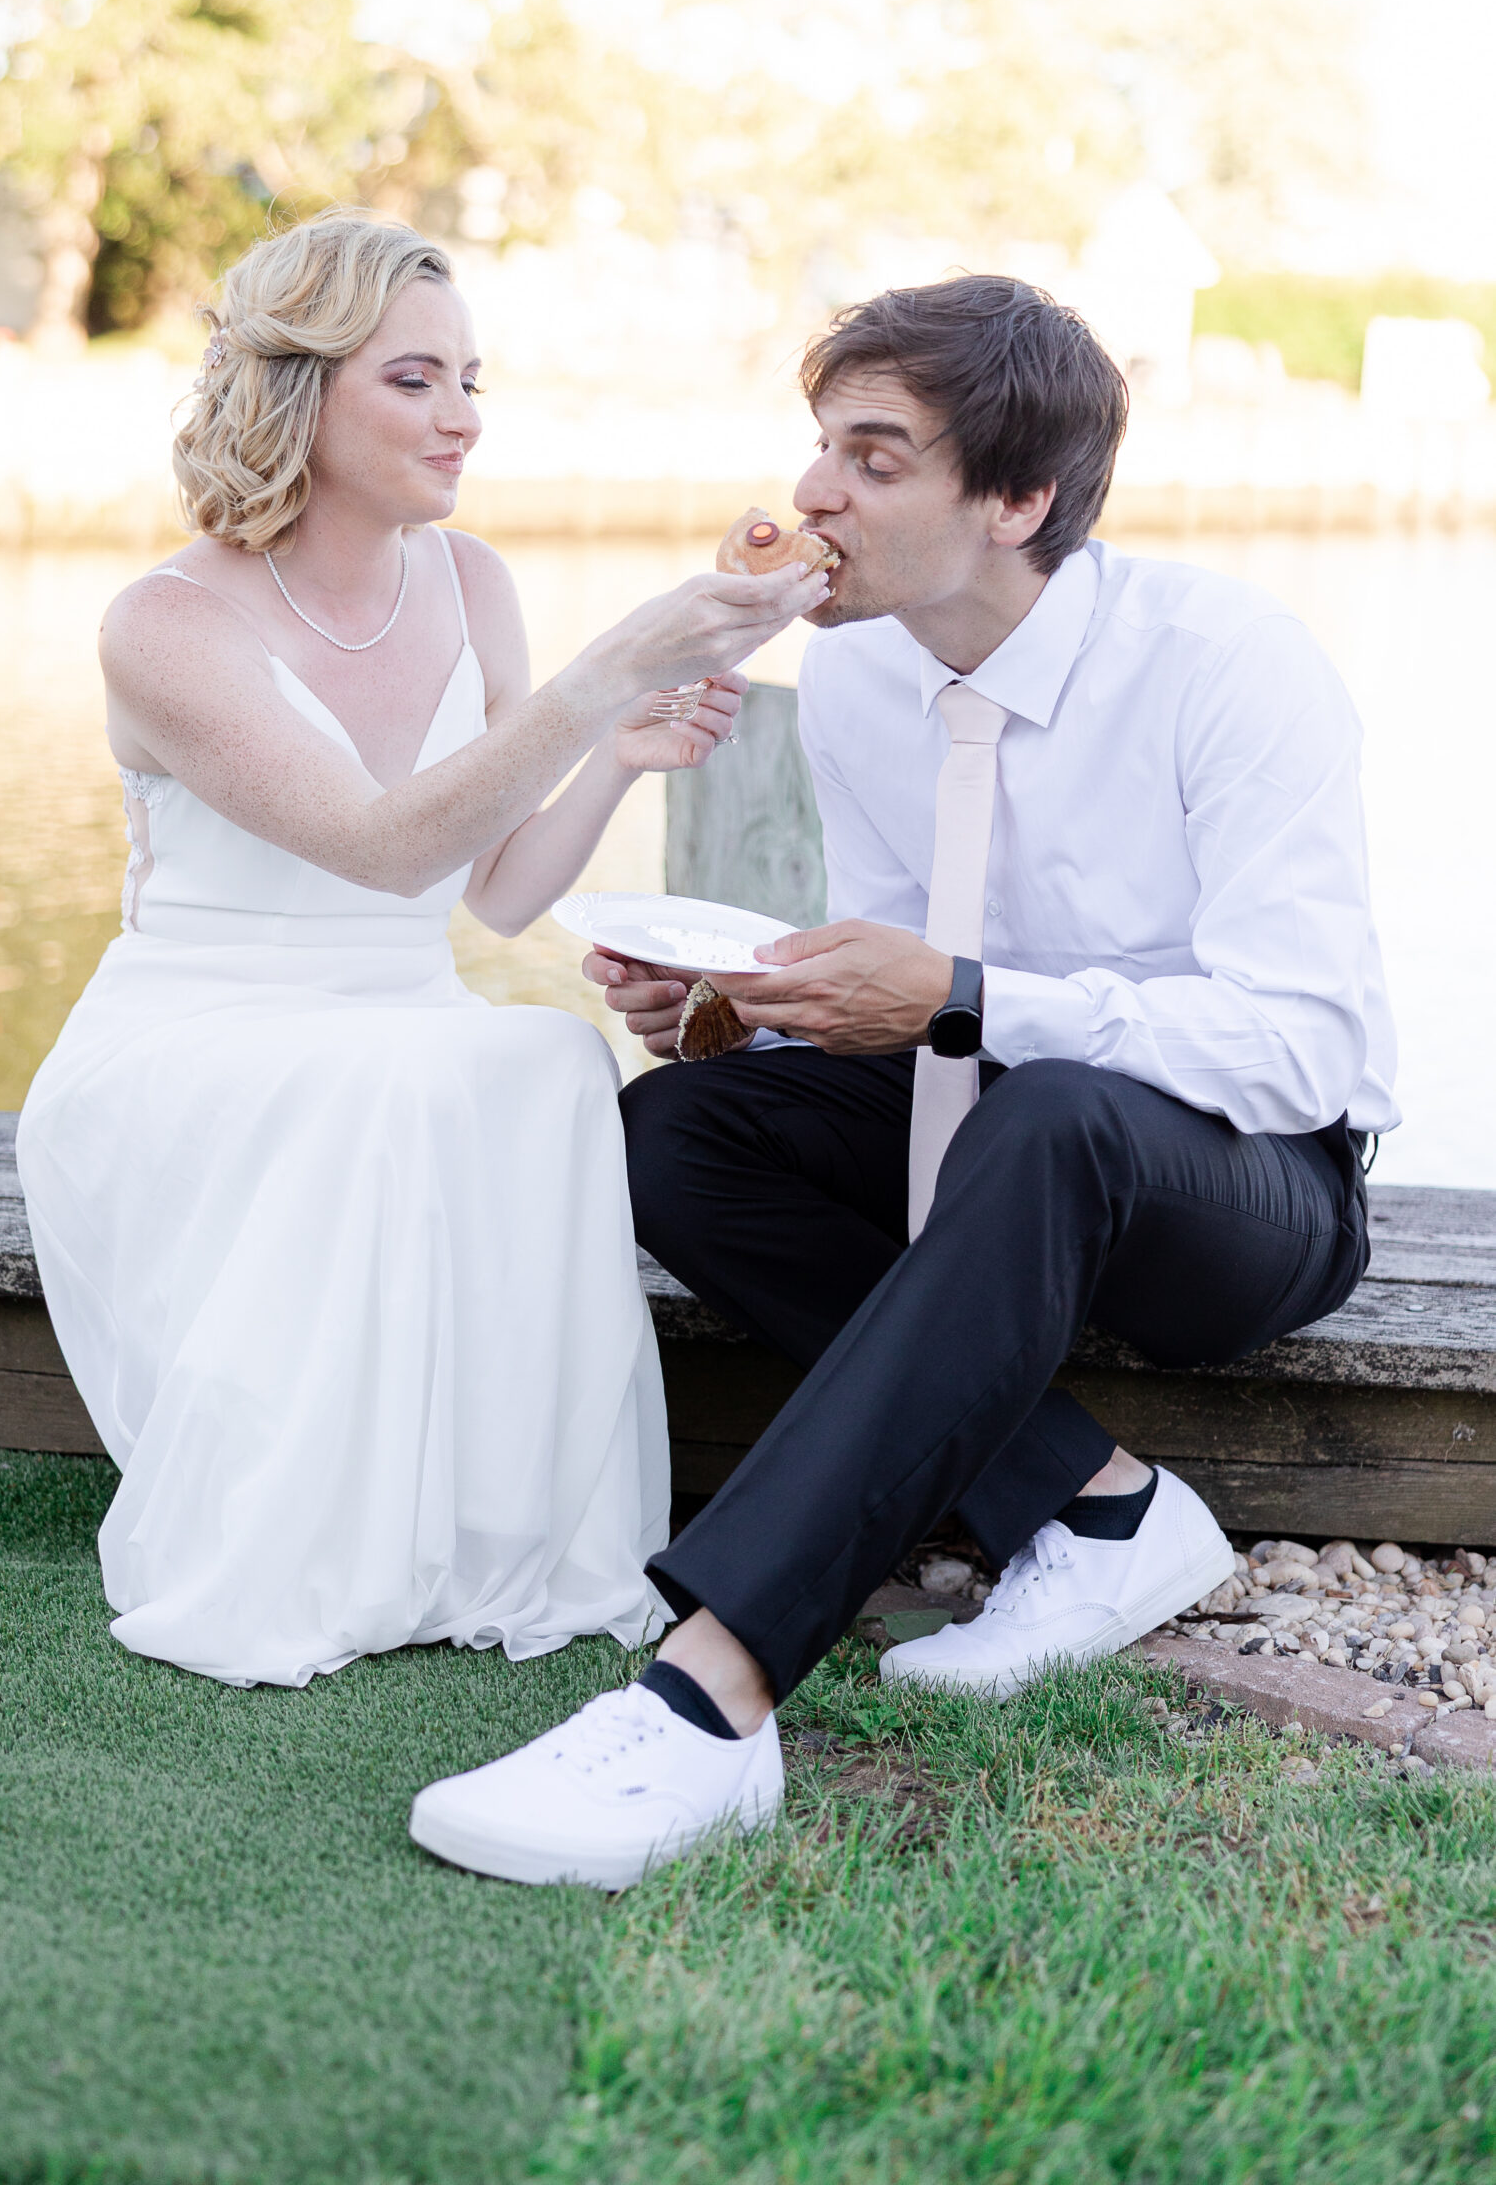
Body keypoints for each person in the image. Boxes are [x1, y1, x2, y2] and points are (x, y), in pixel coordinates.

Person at [409, 272, 1396, 1888]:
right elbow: (907, 987)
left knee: (1061, 1106)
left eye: (875, 458)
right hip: (990, 1133)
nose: (811, 493)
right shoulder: (862, 677)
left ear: (1019, 499)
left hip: (1244, 1192)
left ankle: (707, 1699)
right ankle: (1095, 1505)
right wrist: (742, 1008)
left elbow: (1306, 1047)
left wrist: (968, 995)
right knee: (677, 1128)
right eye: (818, 446)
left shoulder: (1230, 662)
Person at [15, 208, 827, 1689]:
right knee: (412, 1084)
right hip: (202, 1033)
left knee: (543, 1054)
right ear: (297, 391)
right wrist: (607, 672)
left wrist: (623, 753)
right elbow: (383, 845)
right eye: (413, 380)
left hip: (399, 1005)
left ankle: (493, 1532)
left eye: (473, 380)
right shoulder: (166, 625)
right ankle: (324, 1545)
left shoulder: (472, 584)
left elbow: (496, 898)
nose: (461, 419)